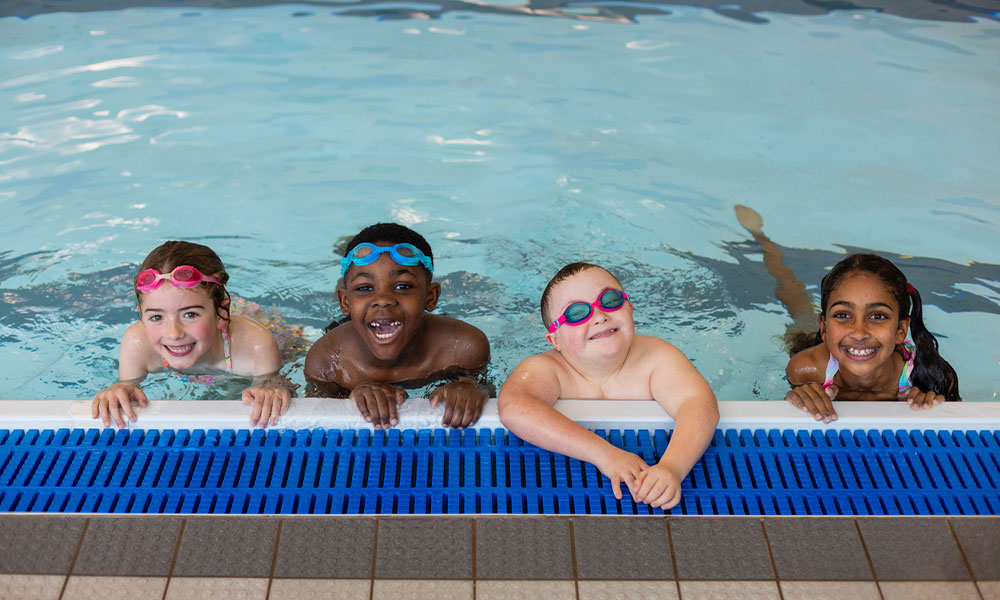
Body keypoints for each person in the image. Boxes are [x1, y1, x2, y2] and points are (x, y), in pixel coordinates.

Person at [497, 262, 719, 510]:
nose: (599, 316)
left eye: (610, 300)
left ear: (630, 307)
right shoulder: (548, 369)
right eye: (576, 313)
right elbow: (514, 410)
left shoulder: (656, 357)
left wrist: (672, 467)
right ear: (555, 339)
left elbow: (699, 403)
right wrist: (605, 455)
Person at [734, 206, 961, 422]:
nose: (859, 332)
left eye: (877, 316)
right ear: (824, 327)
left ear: (901, 330)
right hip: (822, 350)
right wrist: (804, 398)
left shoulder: (930, 376)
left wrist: (930, 405)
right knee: (793, 295)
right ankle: (761, 238)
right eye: (843, 315)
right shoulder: (806, 370)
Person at [305, 223, 490, 429]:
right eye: (364, 288)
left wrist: (470, 388)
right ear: (345, 302)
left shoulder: (463, 348)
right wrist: (351, 396)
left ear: (431, 297)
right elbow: (315, 417)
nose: (383, 300)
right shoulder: (327, 361)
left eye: (403, 286)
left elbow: (486, 389)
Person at [92, 241, 293, 428]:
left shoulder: (255, 345)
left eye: (190, 314)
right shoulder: (137, 343)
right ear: (142, 317)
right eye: (156, 317)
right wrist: (118, 390)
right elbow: (126, 388)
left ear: (221, 314)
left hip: (267, 326)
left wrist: (272, 389)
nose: (174, 333)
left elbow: (272, 389)